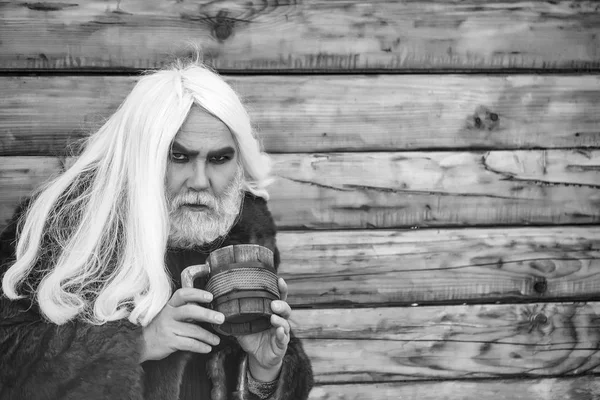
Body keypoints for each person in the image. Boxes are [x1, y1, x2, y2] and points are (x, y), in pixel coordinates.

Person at [0, 59, 314, 400]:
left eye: (219, 159)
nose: (199, 181)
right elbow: (11, 363)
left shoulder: (244, 235)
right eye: (179, 157)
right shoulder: (69, 230)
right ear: (145, 157)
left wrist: (265, 372)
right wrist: (138, 343)